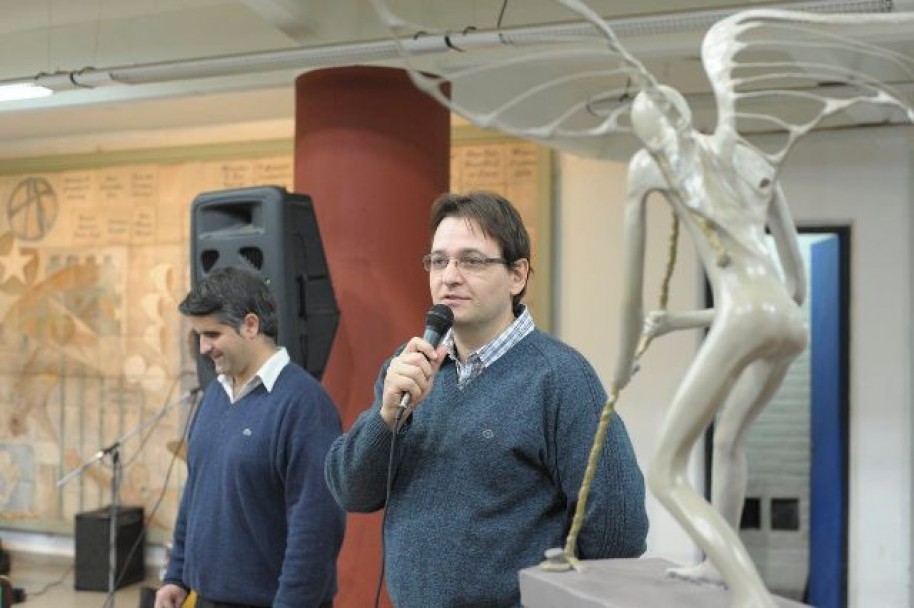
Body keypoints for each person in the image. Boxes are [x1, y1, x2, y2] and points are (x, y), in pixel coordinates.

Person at [325, 190, 648, 607]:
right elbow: (352, 492)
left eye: (472, 261)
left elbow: (618, 531)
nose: (450, 276)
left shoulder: (560, 378)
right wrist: (386, 418)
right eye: (438, 261)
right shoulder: (409, 368)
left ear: (517, 275)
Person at [612, 85, 807, 608]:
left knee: (665, 470)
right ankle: (713, 567)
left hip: (745, 318)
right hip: (788, 324)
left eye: (650, 137)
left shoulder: (649, 167)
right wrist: (680, 321)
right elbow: (792, 289)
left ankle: (750, 594)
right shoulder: (746, 156)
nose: (654, 149)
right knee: (727, 442)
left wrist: (621, 365)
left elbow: (630, 293)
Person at [156, 266, 345, 608]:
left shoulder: (305, 405)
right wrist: (177, 575)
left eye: (212, 334)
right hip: (207, 599)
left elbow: (316, 528)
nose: (203, 347)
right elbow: (197, 491)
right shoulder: (215, 394)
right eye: (198, 335)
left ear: (251, 325)